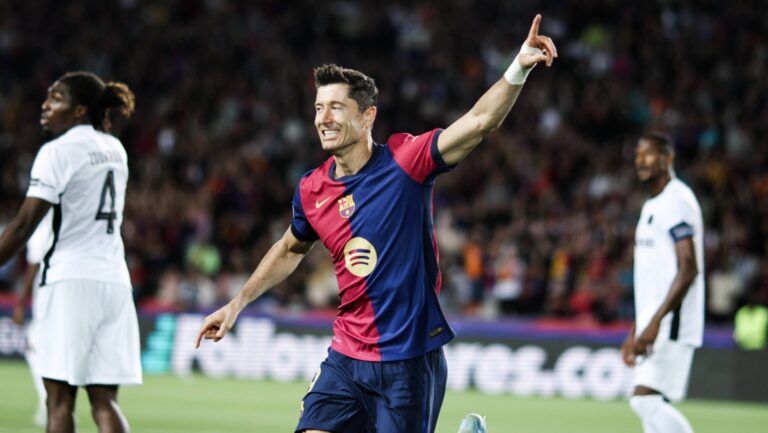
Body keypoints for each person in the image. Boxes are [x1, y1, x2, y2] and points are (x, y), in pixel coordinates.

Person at [195, 14, 556, 433]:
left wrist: (518, 67)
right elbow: (290, 247)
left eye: (335, 107)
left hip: (407, 360)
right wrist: (236, 304)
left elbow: (478, 122)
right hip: (346, 356)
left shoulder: (407, 162)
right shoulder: (311, 189)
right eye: (317, 107)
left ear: (367, 117)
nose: (323, 117)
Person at [0, 71, 142, 433]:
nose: (45, 105)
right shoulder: (115, 149)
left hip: (69, 281)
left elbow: (22, 227)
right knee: (105, 402)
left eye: (56, 98)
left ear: (80, 110)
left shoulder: (57, 151)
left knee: (59, 402)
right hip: (113, 281)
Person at [621, 132, 705, 433]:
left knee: (644, 402)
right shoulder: (651, 206)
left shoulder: (677, 200)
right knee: (650, 413)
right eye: (637, 155)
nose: (640, 160)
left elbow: (688, 268)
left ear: (668, 159)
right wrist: (636, 328)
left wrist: (656, 322)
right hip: (655, 322)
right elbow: (650, 280)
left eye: (648, 154)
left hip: (673, 322)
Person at [12, 211, 53, 428]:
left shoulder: (42, 221)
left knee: (34, 346)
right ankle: (52, 400)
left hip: (48, 294)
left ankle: (49, 401)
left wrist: (20, 304)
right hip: (77, 289)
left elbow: (33, 265)